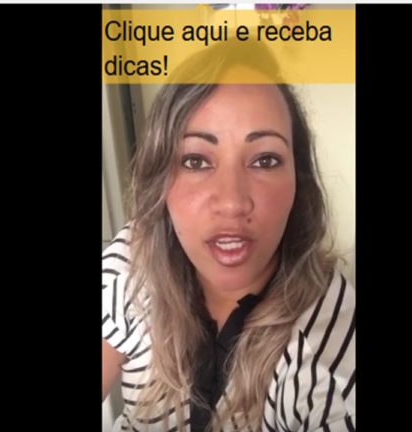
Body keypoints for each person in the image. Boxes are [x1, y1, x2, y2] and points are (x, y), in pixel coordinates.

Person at [102, 41, 355, 431]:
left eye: (265, 160)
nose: (233, 203)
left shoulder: (330, 349)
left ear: (298, 184)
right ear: (160, 182)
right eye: (196, 160)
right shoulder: (132, 261)